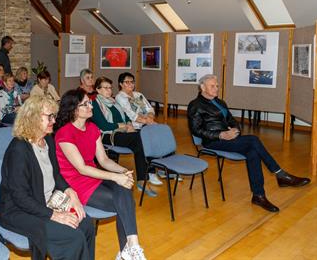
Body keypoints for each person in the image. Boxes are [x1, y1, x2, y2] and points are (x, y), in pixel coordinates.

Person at [188, 74, 311, 212]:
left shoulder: (220, 102)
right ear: (202, 87)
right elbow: (196, 130)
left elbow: (231, 120)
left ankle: (258, 195)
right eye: (212, 86)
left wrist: (236, 130)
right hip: (212, 141)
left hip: (230, 139)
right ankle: (280, 174)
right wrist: (221, 134)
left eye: (217, 85)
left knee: (252, 151)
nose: (216, 88)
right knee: (253, 140)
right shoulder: (195, 105)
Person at [0, 95, 95, 260]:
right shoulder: (19, 149)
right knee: (72, 237)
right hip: (18, 210)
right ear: (33, 118)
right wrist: (55, 215)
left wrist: (70, 192)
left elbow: (56, 174)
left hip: (45, 201)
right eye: (49, 116)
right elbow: (20, 197)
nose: (54, 120)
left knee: (86, 225)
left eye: (54, 116)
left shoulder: (48, 140)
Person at [54, 89, 147, 260]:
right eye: (86, 104)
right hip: (76, 183)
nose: (91, 106)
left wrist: (123, 171)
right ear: (74, 110)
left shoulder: (92, 128)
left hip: (94, 175)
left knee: (124, 189)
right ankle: (129, 250)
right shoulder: (64, 133)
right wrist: (115, 176)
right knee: (124, 201)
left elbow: (103, 160)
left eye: (90, 102)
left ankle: (131, 247)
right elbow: (81, 168)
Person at [91, 77, 156, 196]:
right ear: (98, 90)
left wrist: (129, 125)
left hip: (122, 132)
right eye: (106, 88)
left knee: (142, 139)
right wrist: (123, 126)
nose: (109, 90)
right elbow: (104, 126)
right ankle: (143, 178)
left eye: (110, 88)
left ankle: (146, 176)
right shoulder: (95, 104)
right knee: (139, 139)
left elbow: (125, 116)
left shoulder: (114, 101)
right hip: (106, 135)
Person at [115, 72, 162, 186]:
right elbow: (130, 114)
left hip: (146, 123)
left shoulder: (138, 95)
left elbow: (149, 109)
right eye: (127, 82)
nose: (130, 84)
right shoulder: (120, 97)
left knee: (161, 134)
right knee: (149, 139)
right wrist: (148, 121)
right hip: (133, 127)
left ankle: (164, 168)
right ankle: (150, 171)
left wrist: (150, 117)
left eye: (132, 82)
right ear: (121, 84)